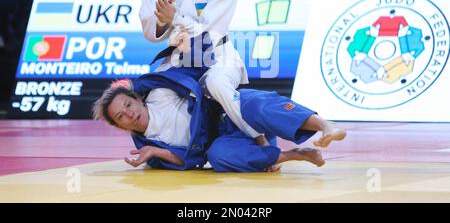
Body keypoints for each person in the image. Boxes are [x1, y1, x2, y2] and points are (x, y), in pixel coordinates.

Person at [139, 0, 267, 145]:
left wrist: (174, 17)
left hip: (217, 53)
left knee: (216, 84)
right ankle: (175, 148)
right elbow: (149, 31)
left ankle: (259, 139)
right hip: (179, 55)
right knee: (156, 93)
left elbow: (209, 34)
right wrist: (162, 21)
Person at [92, 58, 347, 172]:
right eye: (120, 117)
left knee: (253, 104)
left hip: (227, 111)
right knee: (218, 157)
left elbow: (179, 69)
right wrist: (156, 153)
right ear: (120, 126)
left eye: (127, 104)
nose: (129, 114)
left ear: (136, 97)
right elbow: (192, 162)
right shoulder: (149, 147)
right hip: (226, 140)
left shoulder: (158, 93)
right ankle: (294, 155)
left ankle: (325, 125)